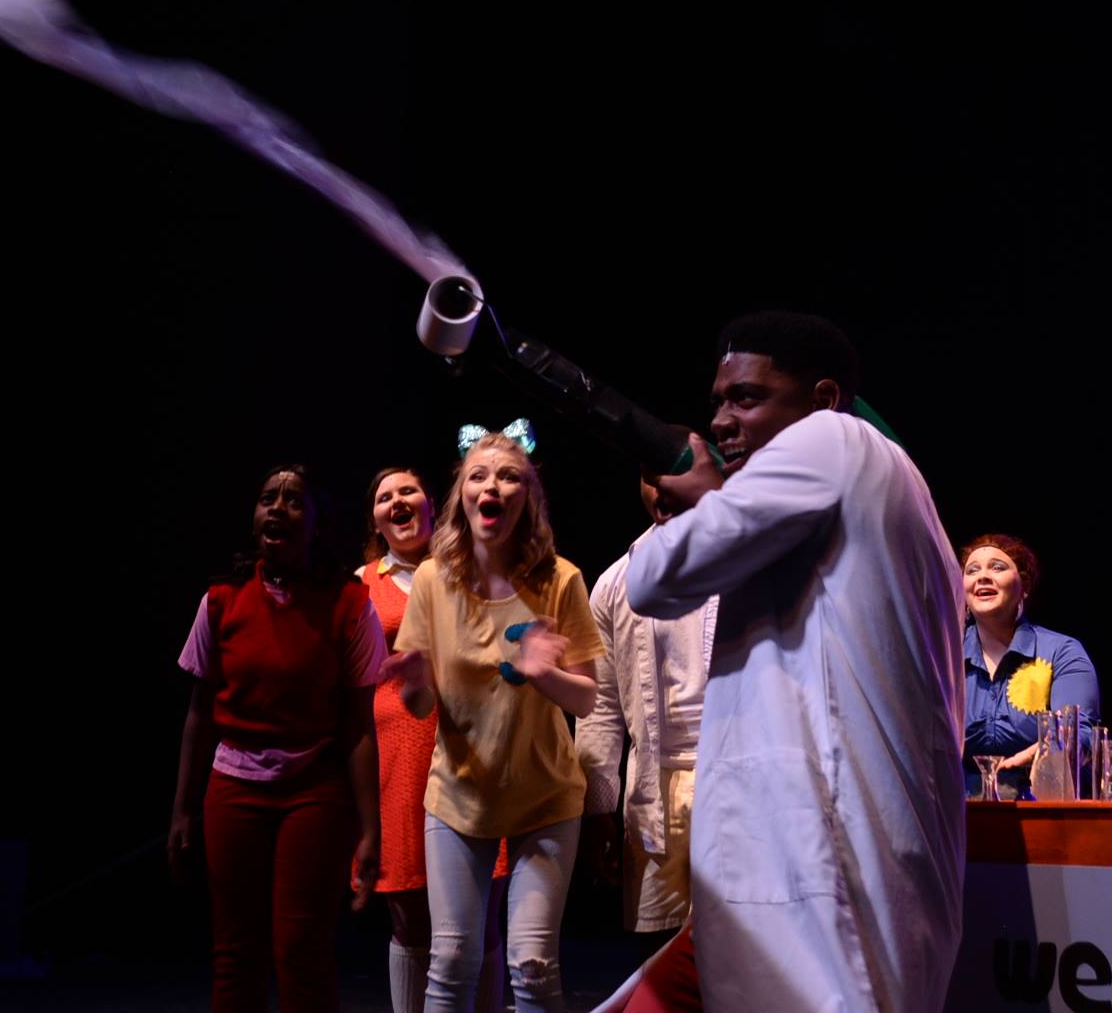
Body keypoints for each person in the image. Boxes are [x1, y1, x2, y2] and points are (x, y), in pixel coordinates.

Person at [621, 311, 966, 1013]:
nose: (721, 421)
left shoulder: (828, 439)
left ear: (823, 397)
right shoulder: (885, 478)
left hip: (824, 857)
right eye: (718, 400)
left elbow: (654, 579)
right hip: (824, 851)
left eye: (747, 398)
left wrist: (706, 501)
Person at [383, 431, 605, 1013]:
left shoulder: (560, 580)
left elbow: (586, 700)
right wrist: (415, 684)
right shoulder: (433, 580)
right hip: (459, 798)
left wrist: (544, 674)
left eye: (509, 477)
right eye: (479, 476)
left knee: (532, 966)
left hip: (545, 799)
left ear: (527, 497)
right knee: (452, 960)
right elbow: (422, 706)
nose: (493, 486)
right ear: (461, 495)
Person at [169, 465, 385, 1013]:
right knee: (235, 952)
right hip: (233, 788)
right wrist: (183, 810)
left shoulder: (350, 604)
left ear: (316, 523)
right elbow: (198, 714)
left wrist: (370, 829)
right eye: (268, 498)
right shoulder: (220, 600)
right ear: (254, 518)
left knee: (301, 952)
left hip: (313, 791)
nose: (278, 508)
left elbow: (359, 725)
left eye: (293, 500)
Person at [356, 466, 507, 1013]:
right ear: (375, 519)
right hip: (396, 757)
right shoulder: (361, 583)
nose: (397, 501)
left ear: (430, 503)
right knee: (409, 910)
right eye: (385, 497)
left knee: (480, 912)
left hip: (467, 749)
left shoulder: (467, 569)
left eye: (408, 490)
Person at [577, 478, 713, 958]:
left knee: (739, 949)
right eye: (650, 478)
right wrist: (598, 810)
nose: (661, 490)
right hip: (653, 789)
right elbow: (601, 704)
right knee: (658, 951)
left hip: (732, 778)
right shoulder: (617, 582)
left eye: (672, 475)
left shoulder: (745, 568)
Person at [961, 533, 1100, 780]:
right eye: (972, 570)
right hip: (959, 801)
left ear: (1024, 586)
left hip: (1041, 795)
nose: (982, 576)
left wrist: (1050, 750)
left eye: (997, 567)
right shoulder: (943, 656)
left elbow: (1080, 733)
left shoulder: (1061, 652)